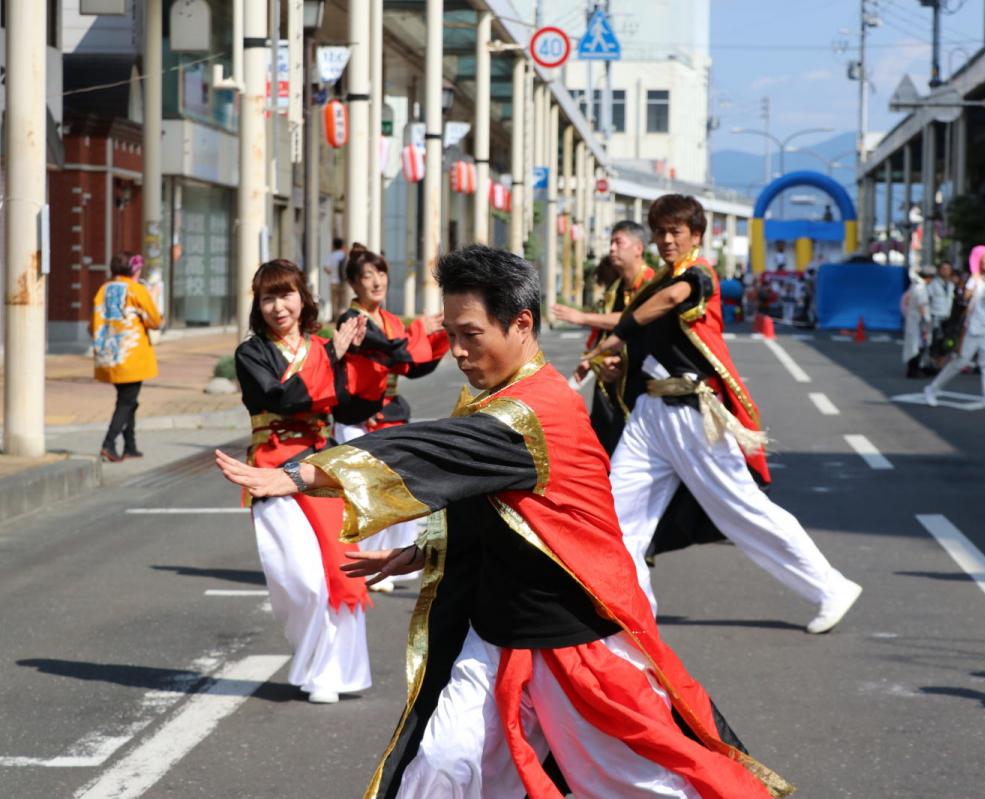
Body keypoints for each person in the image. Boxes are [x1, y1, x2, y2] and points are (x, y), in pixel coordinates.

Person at [215, 245, 791, 799]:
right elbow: (483, 496)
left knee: (635, 781)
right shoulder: (495, 396)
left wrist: (304, 475)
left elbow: (436, 450)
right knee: (441, 761)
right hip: (495, 633)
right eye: (452, 335)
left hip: (572, 636)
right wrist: (420, 552)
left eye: (471, 336)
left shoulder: (533, 409)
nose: (459, 352)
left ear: (520, 324)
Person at [591, 194, 862, 631]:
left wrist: (618, 331)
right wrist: (614, 364)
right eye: (660, 231)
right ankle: (629, 609)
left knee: (742, 509)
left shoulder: (699, 275)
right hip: (649, 414)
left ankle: (830, 586)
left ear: (695, 235)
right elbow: (645, 346)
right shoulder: (657, 280)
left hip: (692, 413)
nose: (666, 239)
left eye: (675, 231)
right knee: (617, 512)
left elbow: (666, 304)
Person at [234, 259, 377, 704]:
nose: (279, 306)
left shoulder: (321, 347)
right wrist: (331, 357)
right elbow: (280, 396)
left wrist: (361, 362)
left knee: (340, 570)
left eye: (287, 294)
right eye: (268, 297)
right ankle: (313, 658)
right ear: (259, 304)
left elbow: (348, 409)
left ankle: (331, 673)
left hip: (321, 468)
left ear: (303, 297)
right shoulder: (252, 353)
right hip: (272, 470)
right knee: (300, 578)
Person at [332, 244, 449, 592]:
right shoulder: (351, 321)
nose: (376, 281)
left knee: (402, 491)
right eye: (367, 276)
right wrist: (419, 331)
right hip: (358, 415)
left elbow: (411, 367)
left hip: (391, 414)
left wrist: (442, 337)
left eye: (380, 273)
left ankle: (388, 559)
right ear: (353, 284)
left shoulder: (393, 320)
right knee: (366, 494)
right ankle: (362, 563)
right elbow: (391, 352)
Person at [553, 221, 657, 454]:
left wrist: (581, 317)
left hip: (641, 383)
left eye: (618, 242)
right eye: (611, 242)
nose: (611, 248)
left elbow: (632, 319)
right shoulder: (616, 287)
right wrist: (591, 359)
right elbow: (603, 331)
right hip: (608, 380)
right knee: (602, 446)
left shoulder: (652, 283)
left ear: (638, 248)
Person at [91, 251, 163, 462]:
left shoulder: (103, 289)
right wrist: (154, 296)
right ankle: (108, 443)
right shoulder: (136, 289)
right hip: (131, 355)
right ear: (134, 270)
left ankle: (130, 445)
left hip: (107, 355)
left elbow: (92, 323)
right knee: (126, 401)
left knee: (128, 400)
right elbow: (155, 320)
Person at [924, 245, 985, 409]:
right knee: (960, 363)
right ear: (978, 260)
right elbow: (962, 303)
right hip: (970, 329)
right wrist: (967, 294)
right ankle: (932, 389)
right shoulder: (973, 280)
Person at [902, 266, 934, 378]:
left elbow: (905, 300)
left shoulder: (914, 286)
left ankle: (913, 369)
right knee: (919, 346)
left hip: (912, 319)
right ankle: (914, 370)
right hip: (919, 321)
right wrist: (926, 322)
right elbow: (922, 306)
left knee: (913, 345)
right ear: (929, 278)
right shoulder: (921, 288)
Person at [323, 237, 348, 320]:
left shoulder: (331, 255)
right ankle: (342, 318)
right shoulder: (343, 255)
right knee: (342, 301)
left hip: (333, 281)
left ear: (334, 245)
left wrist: (332, 272)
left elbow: (326, 268)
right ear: (341, 246)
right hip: (342, 282)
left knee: (334, 301)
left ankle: (334, 318)